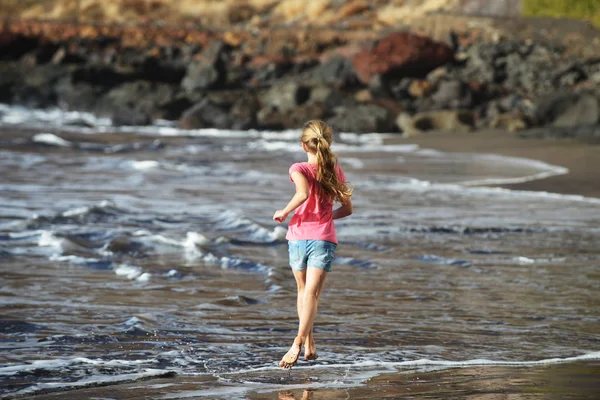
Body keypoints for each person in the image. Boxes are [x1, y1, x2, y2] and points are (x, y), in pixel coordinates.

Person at [272, 119, 353, 369]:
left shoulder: (298, 168)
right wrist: (326, 217)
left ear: (303, 145)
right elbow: (347, 209)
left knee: (302, 291)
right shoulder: (334, 170)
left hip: (297, 236)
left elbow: (303, 193)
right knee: (312, 294)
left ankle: (297, 342)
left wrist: (284, 212)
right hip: (323, 238)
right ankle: (308, 341)